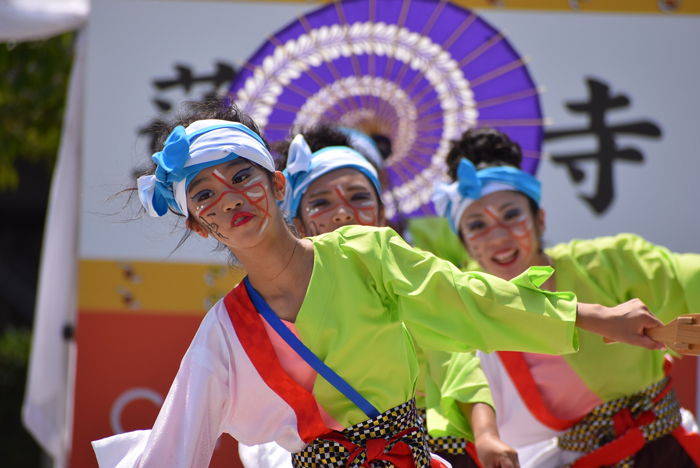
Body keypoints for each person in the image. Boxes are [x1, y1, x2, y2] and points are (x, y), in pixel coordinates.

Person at [91, 100, 665, 468]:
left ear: (276, 183)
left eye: (242, 176)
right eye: (206, 195)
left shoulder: (367, 254)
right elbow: (175, 446)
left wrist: (596, 317)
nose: (231, 199)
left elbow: (469, 301)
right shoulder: (225, 333)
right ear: (198, 222)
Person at [432, 127, 700, 468]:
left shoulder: (604, 265)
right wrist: (485, 434)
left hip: (663, 452)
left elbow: (686, 278)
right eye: (476, 225)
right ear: (464, 243)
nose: (497, 236)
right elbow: (461, 379)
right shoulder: (462, 308)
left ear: (539, 220)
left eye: (511, 215)